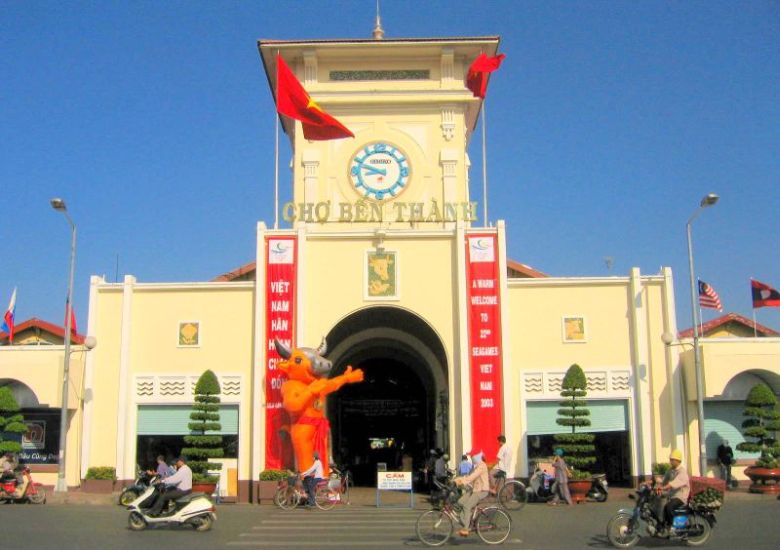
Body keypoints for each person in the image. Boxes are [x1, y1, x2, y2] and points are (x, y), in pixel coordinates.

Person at [454, 448, 490, 537]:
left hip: (481, 491)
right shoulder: (476, 465)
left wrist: (462, 481)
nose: (471, 457)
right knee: (460, 502)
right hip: (475, 489)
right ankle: (467, 523)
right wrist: (456, 480)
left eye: (472, 456)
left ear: (477, 456)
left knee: (466, 506)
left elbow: (472, 477)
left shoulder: (481, 466)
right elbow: (468, 476)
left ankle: (466, 529)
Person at [659, 449, 690, 531]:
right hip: (673, 495)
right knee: (663, 506)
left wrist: (663, 488)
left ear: (678, 460)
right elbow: (664, 480)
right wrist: (650, 482)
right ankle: (665, 525)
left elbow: (674, 483)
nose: (670, 461)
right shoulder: (671, 470)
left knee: (669, 507)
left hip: (680, 496)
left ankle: (674, 527)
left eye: (672, 460)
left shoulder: (682, 472)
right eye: (670, 459)